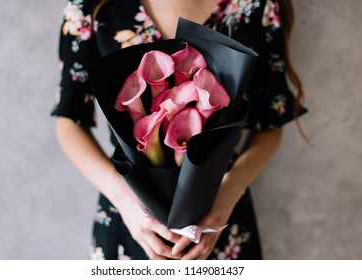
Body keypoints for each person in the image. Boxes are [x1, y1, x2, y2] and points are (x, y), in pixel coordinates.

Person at [51, 0, 307, 260]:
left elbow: (269, 125)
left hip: (219, 218)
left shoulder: (255, 6)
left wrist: (228, 195)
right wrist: (124, 199)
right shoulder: (90, 7)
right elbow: (70, 122)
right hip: (132, 219)